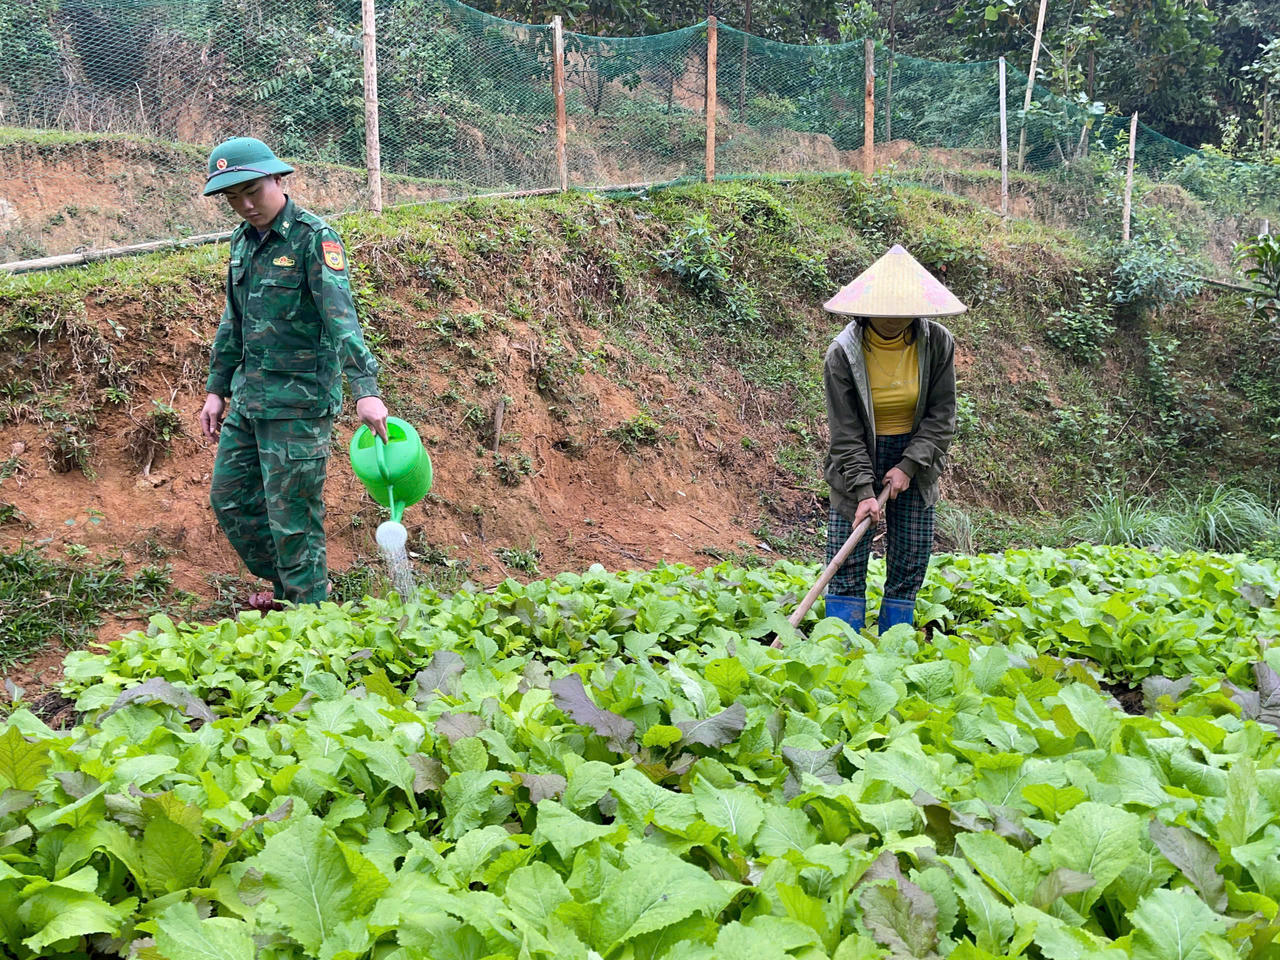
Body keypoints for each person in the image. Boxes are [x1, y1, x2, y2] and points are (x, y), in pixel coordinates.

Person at [198, 136, 390, 610]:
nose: (244, 206)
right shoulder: (243, 241)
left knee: (294, 518)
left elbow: (340, 317)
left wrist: (366, 391)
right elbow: (233, 320)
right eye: (232, 198)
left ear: (277, 179)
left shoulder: (313, 237)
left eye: (252, 192)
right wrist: (217, 389)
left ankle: (309, 619)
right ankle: (289, 587)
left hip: (299, 404)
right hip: (249, 399)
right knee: (230, 499)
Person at [820, 244, 963, 632]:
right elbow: (845, 432)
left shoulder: (937, 343)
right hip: (857, 457)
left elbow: (942, 414)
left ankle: (894, 639)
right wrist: (864, 490)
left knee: (911, 552)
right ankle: (840, 643)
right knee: (846, 553)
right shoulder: (843, 353)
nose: (892, 318)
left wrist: (909, 465)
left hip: (917, 455)